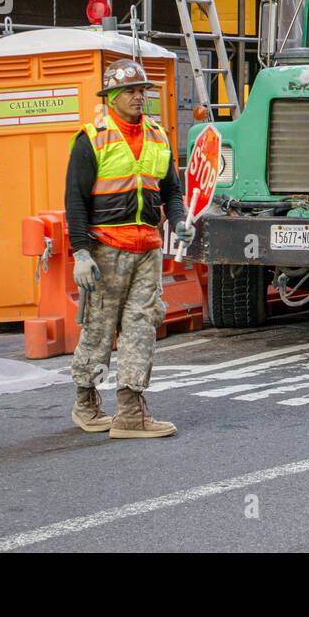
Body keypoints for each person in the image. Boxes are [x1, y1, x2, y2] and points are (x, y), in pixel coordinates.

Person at [65, 58, 190, 438]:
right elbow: (75, 200)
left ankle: (131, 413)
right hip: (105, 250)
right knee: (99, 328)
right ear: (113, 96)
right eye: (131, 91)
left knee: (141, 327)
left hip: (147, 250)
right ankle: (86, 403)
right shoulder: (93, 137)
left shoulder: (157, 135)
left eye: (142, 91)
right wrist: (81, 253)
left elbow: (171, 190)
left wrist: (179, 219)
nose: (139, 97)